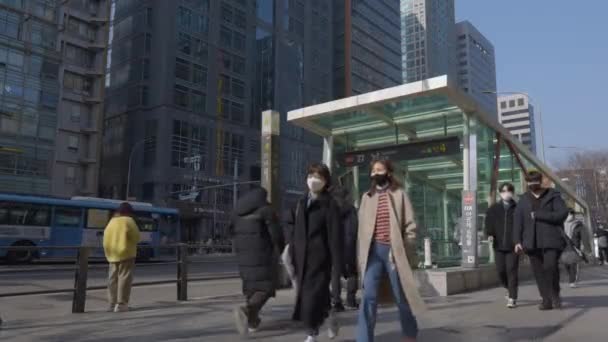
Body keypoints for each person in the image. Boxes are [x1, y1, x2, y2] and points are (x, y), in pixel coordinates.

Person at [356, 160, 426, 342]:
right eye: (373, 170)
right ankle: (364, 339)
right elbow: (361, 228)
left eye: (379, 169)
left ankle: (410, 333)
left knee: (401, 296)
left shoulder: (399, 194)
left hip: (394, 252)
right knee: (368, 296)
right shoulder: (367, 197)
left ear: (388, 172)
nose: (375, 173)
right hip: (373, 253)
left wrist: (407, 247)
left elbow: (411, 224)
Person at [288, 163, 342, 342]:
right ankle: (329, 316)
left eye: (318, 177)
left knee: (310, 298)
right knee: (316, 296)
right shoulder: (301, 202)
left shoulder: (330, 205)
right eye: (311, 175)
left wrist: (337, 263)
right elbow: (293, 227)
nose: (313, 180)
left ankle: (311, 333)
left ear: (326, 181)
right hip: (301, 257)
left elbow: (335, 235)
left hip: (320, 259)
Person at [230, 187, 285, 337]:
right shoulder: (266, 210)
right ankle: (246, 311)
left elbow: (230, 231)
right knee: (265, 288)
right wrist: (280, 250)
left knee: (251, 288)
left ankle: (253, 322)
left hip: (243, 257)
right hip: (263, 254)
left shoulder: (236, 212)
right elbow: (277, 234)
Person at [513, 171, 569, 311]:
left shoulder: (553, 196)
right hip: (531, 242)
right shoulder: (523, 199)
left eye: (535, 182)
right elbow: (518, 221)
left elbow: (562, 214)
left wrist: (539, 215)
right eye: (529, 183)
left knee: (551, 267)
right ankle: (546, 300)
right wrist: (517, 241)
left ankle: (555, 293)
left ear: (540, 181)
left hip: (551, 239)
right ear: (527, 183)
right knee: (538, 272)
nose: (532, 185)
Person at [485, 182, 519, 308]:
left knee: (512, 270)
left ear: (512, 193)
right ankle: (507, 287)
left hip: (513, 246)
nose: (506, 193)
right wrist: (489, 234)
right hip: (498, 245)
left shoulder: (518, 208)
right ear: (500, 193)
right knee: (501, 270)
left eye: (509, 191)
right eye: (504, 191)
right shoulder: (493, 209)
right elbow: (488, 223)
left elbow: (522, 226)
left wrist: (520, 241)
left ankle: (512, 297)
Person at [103, 202, 141, 313]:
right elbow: (137, 238)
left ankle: (111, 303)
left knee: (112, 279)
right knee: (124, 279)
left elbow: (105, 237)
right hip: (126, 253)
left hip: (112, 254)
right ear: (128, 212)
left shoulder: (111, 222)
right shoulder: (129, 221)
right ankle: (121, 304)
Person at [330, 185, 359, 311]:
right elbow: (353, 229)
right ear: (345, 196)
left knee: (335, 273)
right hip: (349, 245)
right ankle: (351, 300)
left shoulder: (331, 209)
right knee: (352, 273)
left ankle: (337, 302)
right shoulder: (351, 209)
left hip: (334, 245)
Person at [563, 209, 584, 288]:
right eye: (569, 214)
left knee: (573, 263)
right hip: (564, 246)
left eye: (571, 214)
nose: (570, 216)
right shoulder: (561, 223)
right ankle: (571, 277)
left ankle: (572, 281)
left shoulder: (578, 224)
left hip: (575, 246)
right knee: (566, 264)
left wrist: (582, 245)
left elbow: (583, 235)